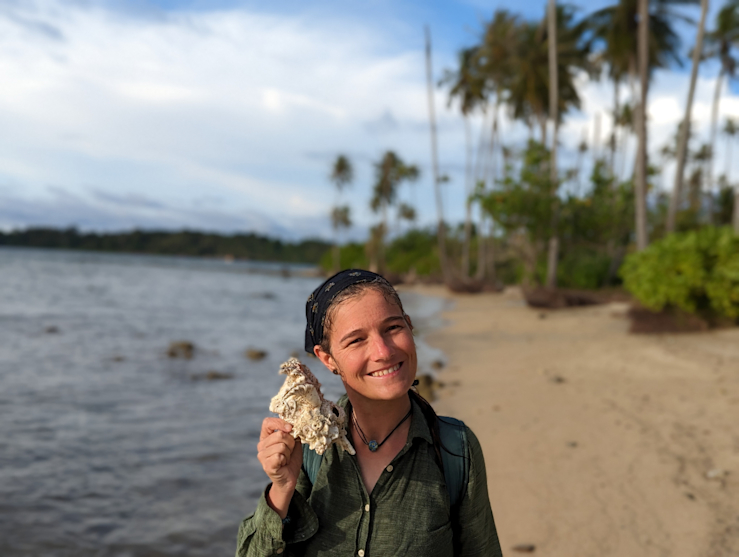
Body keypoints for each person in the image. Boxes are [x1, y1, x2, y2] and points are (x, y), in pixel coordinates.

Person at [236, 269, 502, 557]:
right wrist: (282, 488)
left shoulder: (455, 450)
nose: (383, 351)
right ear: (328, 359)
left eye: (392, 328)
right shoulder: (311, 450)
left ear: (410, 327)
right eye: (356, 340)